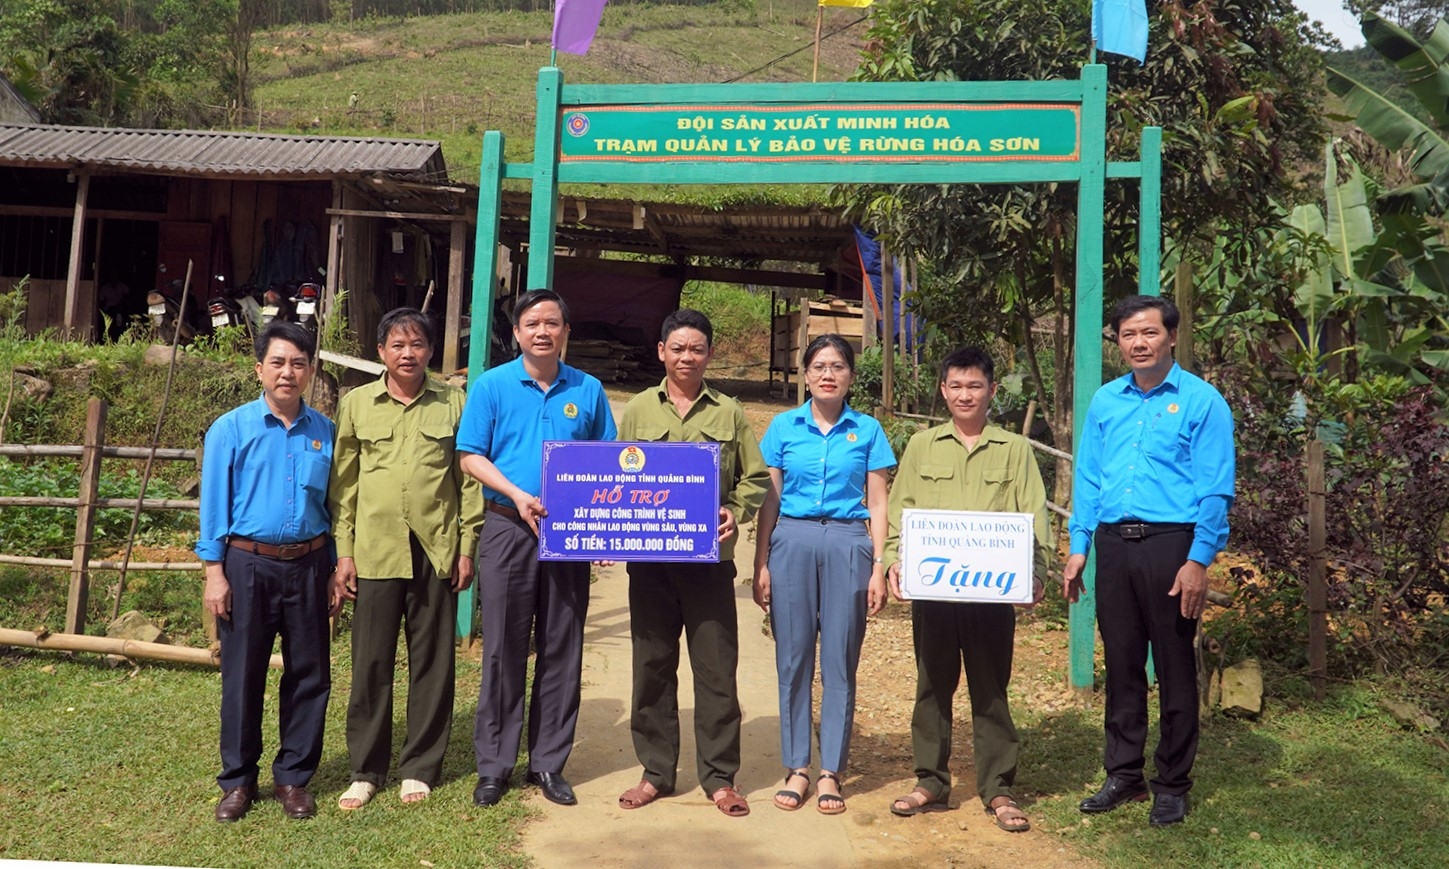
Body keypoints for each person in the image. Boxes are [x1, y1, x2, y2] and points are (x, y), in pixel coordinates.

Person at [1064, 294, 1234, 827]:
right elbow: (1089, 479)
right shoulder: (1106, 403)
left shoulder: (1203, 402)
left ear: (1172, 337)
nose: (1138, 343)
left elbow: (1215, 490)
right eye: (1128, 335)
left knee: (1176, 665)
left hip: (1171, 546)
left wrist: (1198, 560)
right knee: (1121, 661)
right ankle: (1123, 774)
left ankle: (1172, 783)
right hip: (1113, 545)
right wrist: (1078, 546)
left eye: (1149, 333)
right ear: (1117, 342)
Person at [457, 289, 616, 809]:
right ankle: (495, 765)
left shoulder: (588, 390)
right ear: (518, 333)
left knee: (562, 646)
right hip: (508, 527)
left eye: (552, 322)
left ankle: (548, 763)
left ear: (566, 332)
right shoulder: (492, 385)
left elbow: (606, 463)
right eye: (532, 323)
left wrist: (605, 528)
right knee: (502, 646)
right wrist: (518, 495)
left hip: (568, 534)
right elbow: (469, 456)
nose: (543, 331)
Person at [883, 346, 1050, 833]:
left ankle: (998, 787)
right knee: (932, 685)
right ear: (943, 390)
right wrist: (895, 562)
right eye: (955, 385)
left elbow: (1035, 517)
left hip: (992, 594)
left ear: (992, 391)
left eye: (974, 385)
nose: (964, 394)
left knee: (991, 688)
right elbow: (900, 511)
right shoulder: (922, 446)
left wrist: (1036, 572)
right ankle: (930, 781)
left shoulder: (1015, 449)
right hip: (935, 593)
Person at [614, 309, 769, 818]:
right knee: (652, 667)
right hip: (651, 564)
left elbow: (755, 479)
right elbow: (612, 482)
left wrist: (733, 511)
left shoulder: (728, 412)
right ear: (661, 351)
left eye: (696, 349)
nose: (687, 357)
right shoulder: (637, 411)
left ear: (709, 354)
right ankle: (656, 772)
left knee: (716, 669)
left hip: (708, 564)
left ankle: (720, 778)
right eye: (677, 348)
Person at [328, 308, 484, 810]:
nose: (408, 353)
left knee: (433, 663)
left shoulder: (454, 402)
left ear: (430, 351)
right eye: (397, 345)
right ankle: (366, 769)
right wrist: (344, 552)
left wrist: (466, 547)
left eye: (417, 344)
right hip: (374, 550)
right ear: (381, 353)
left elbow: (468, 481)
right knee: (371, 661)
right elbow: (343, 485)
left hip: (435, 549)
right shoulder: (357, 404)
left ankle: (419, 766)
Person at [198, 320, 337, 823]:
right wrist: (215, 572)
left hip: (309, 564)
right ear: (259, 369)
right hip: (247, 564)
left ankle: (293, 777)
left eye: (298, 363)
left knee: (309, 674)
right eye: (278, 362)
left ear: (311, 371)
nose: (288, 372)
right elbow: (213, 505)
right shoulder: (230, 428)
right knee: (243, 674)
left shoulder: (325, 431)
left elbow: (335, 506)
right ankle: (237, 781)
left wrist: (334, 566)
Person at [751, 334, 895, 815]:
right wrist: (761, 563)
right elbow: (769, 500)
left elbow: (877, 502)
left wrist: (878, 566)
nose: (827, 373)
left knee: (839, 660)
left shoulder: (869, 430)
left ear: (851, 375)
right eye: (818, 365)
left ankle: (831, 769)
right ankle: (797, 766)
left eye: (837, 365)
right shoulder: (782, 427)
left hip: (849, 543)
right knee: (792, 659)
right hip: (791, 539)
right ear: (805, 374)